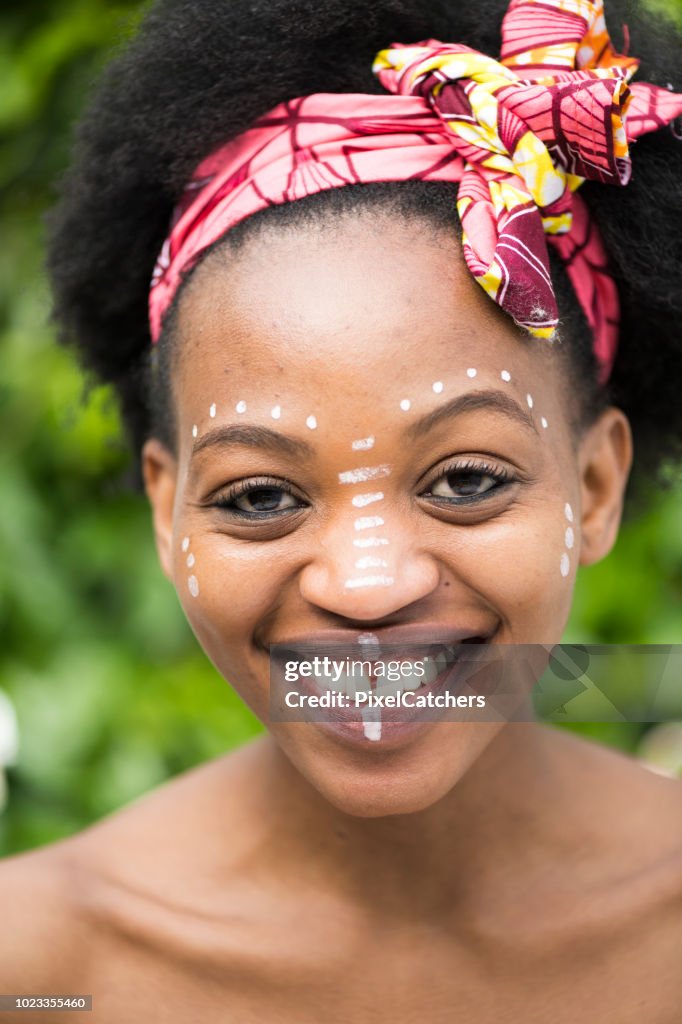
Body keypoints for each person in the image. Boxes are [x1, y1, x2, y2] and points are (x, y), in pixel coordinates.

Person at [1, 0, 681, 1020]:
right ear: (166, 510)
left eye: (464, 480)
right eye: (261, 495)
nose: (367, 585)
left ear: (593, 487)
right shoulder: (43, 967)